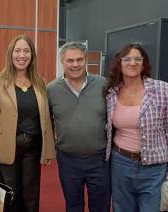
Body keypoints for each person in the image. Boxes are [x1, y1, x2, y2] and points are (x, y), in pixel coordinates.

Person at [104, 43, 168, 212]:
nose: (132, 63)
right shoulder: (112, 92)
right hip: (120, 163)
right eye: (127, 59)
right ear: (119, 63)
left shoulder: (162, 89)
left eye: (137, 59)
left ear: (144, 63)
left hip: (154, 166)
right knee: (122, 208)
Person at [0, 34, 55, 212]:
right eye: (17, 51)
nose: (21, 55)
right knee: (10, 195)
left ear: (32, 55)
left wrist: (48, 150)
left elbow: (45, 120)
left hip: (32, 149)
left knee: (31, 196)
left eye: (26, 51)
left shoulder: (40, 82)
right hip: (6, 149)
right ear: (11, 54)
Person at [47, 41, 111, 212]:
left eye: (79, 60)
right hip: (68, 160)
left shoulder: (102, 84)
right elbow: (46, 122)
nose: (75, 64)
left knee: (101, 206)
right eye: (70, 60)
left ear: (86, 60)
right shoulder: (52, 89)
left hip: (100, 160)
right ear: (62, 62)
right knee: (73, 206)